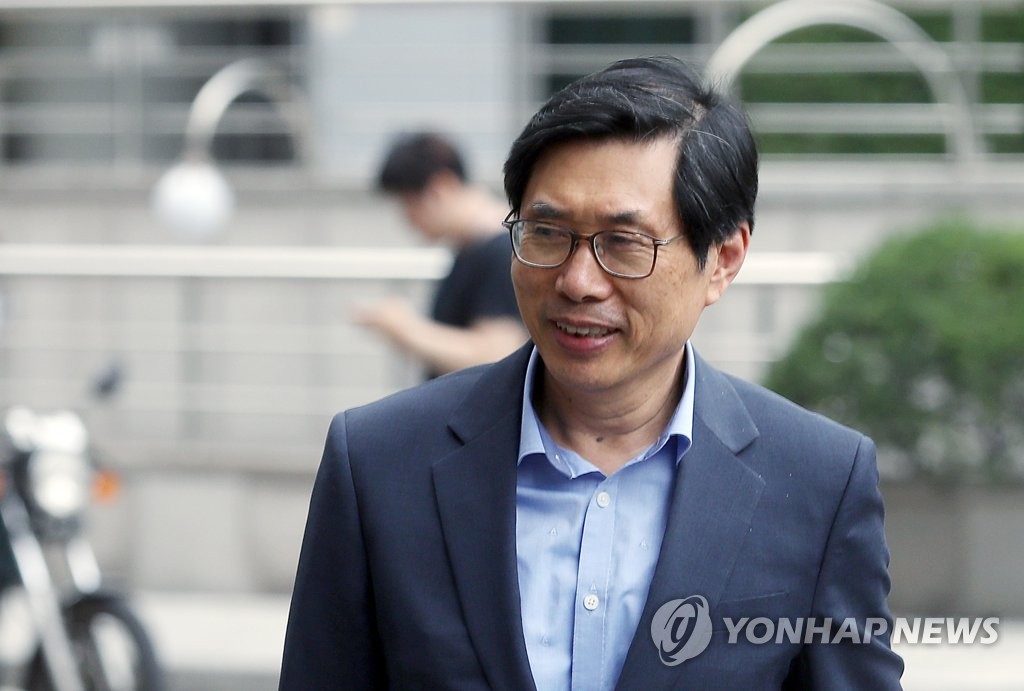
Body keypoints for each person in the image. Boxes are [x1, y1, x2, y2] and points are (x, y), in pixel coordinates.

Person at [280, 56, 903, 689]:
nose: (577, 282)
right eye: (547, 233)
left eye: (624, 243)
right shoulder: (379, 463)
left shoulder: (818, 482)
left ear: (722, 259)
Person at [355, 131, 526, 378]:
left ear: (440, 189)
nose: (407, 218)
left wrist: (405, 328)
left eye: (409, 203)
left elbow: (497, 355)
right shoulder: (474, 245)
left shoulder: (498, 250)